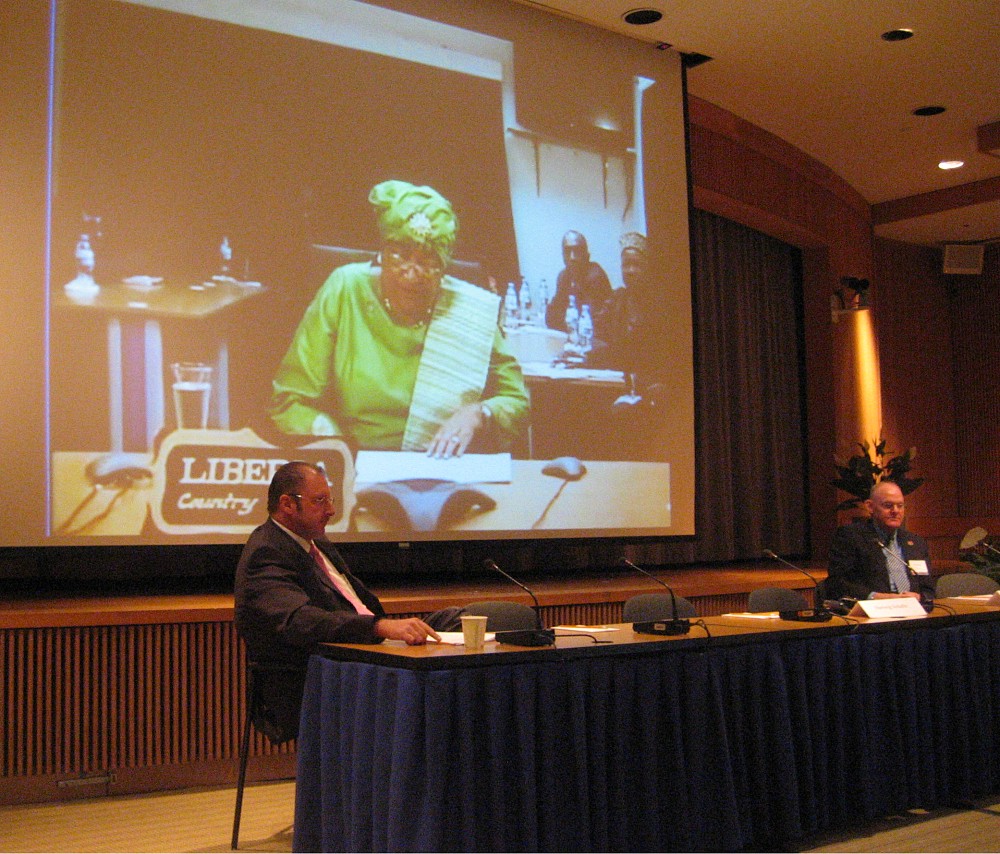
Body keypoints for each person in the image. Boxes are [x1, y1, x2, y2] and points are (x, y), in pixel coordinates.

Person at [270, 180, 529, 458]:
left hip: (441, 462)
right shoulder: (345, 288)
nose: (411, 273)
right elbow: (288, 401)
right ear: (381, 254)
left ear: (444, 268)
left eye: (428, 261)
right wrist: (335, 444)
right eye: (400, 255)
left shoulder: (468, 309)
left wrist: (480, 413)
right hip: (357, 460)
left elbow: (517, 400)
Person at [234, 461, 463, 740]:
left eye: (330, 500)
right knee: (441, 685)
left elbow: (358, 604)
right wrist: (378, 627)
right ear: (287, 504)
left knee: (472, 618)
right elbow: (298, 620)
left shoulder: (317, 543)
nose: (331, 511)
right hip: (323, 673)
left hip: (367, 653)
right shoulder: (267, 551)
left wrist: (385, 629)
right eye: (320, 501)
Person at [824, 480, 934, 602]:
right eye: (888, 505)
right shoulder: (851, 537)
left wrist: (919, 597)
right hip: (873, 608)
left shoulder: (916, 542)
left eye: (900, 506)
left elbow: (928, 590)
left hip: (914, 608)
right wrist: (881, 598)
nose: (895, 511)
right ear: (870, 506)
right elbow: (837, 584)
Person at [545, 230, 612, 332]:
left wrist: (566, 321)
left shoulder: (595, 276)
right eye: (567, 251)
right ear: (563, 256)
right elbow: (552, 318)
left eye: (577, 251)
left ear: (587, 255)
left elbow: (592, 324)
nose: (572, 257)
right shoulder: (563, 276)